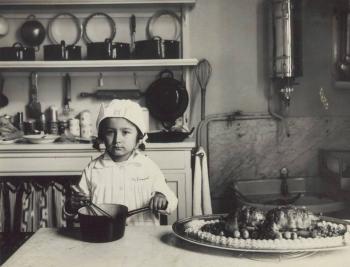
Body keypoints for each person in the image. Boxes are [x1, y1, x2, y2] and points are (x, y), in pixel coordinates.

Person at [65, 99, 178, 225]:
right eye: (110, 132)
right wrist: (73, 205)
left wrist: (162, 198)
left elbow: (171, 200)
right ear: (102, 136)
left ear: (138, 136)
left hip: (142, 238)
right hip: (104, 236)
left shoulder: (148, 167)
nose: (117, 139)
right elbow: (78, 210)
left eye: (125, 132)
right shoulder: (92, 169)